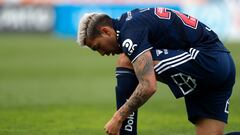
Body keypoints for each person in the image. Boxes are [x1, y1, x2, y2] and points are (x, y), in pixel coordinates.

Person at [77, 7, 236, 135]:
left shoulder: (130, 33)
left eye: (98, 47)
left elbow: (148, 86)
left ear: (106, 31)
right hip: (222, 63)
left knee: (126, 61)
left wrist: (118, 118)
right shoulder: (132, 21)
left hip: (207, 60)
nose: (102, 53)